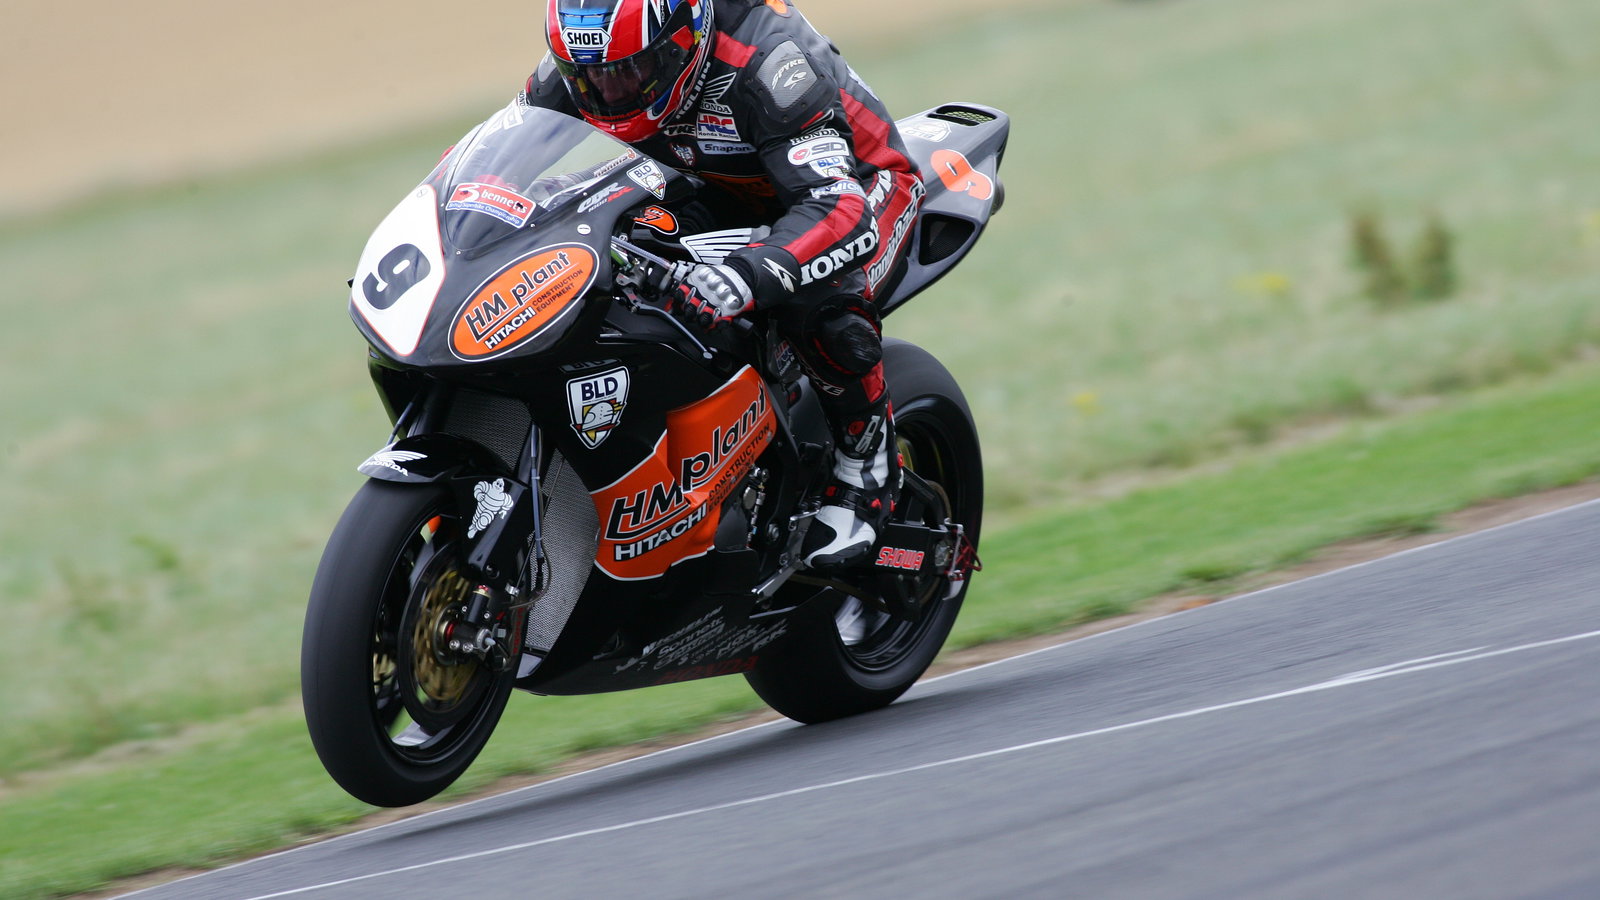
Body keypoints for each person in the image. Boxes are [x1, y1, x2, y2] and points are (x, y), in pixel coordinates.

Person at [524, 0, 924, 571]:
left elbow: (838, 208)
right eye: (592, 79)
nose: (612, 94)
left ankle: (869, 466)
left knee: (817, 299)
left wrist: (744, 273)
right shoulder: (588, 62)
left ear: (684, 40)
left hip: (856, 191)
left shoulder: (772, 62)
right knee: (616, 256)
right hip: (718, 189)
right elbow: (505, 160)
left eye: (632, 72)